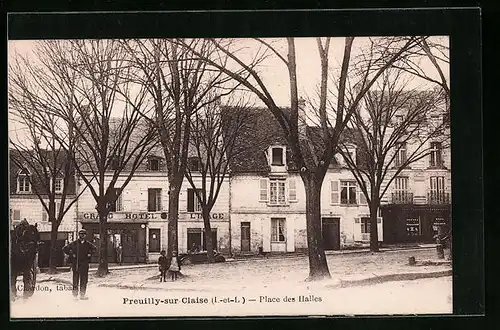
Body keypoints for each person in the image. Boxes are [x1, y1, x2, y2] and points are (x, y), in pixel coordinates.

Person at [63, 229, 96, 300]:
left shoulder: (88, 244)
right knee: (75, 279)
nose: (82, 236)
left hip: (84, 264)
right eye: (81, 234)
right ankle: (75, 295)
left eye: (83, 234)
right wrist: (72, 254)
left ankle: (82, 295)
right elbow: (65, 249)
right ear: (79, 235)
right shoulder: (74, 243)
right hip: (76, 264)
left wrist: (90, 253)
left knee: (84, 280)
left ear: (85, 235)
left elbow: (94, 249)